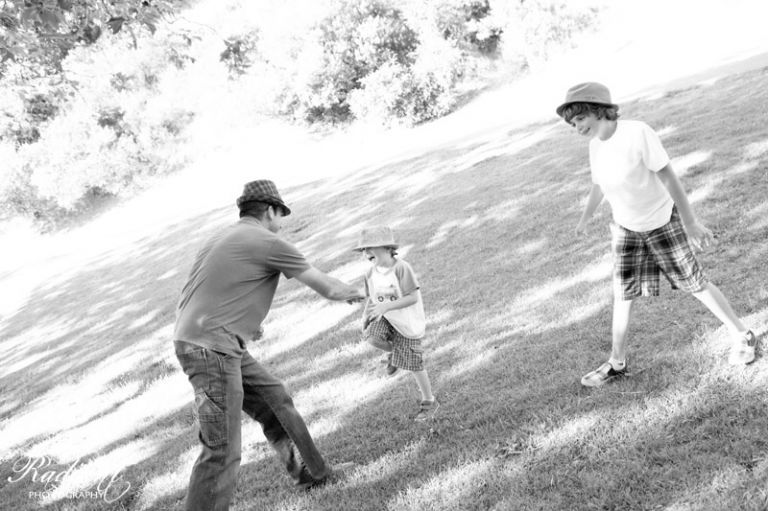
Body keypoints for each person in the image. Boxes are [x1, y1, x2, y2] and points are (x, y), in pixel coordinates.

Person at [173, 179, 365, 510]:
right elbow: (329, 288)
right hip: (213, 348)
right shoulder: (269, 242)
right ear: (270, 211)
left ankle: (312, 474)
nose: (281, 223)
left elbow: (208, 289)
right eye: (281, 215)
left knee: (274, 399)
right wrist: (370, 293)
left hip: (206, 339)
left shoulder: (221, 237)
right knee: (221, 448)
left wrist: (245, 324)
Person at [556, 82, 758, 387]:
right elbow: (599, 184)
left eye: (580, 118)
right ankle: (617, 363)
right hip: (626, 228)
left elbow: (669, 177)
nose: (577, 127)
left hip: (661, 221)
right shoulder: (595, 146)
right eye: (572, 123)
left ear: (598, 110)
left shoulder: (637, 133)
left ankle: (743, 334)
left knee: (695, 284)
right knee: (623, 295)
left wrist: (690, 222)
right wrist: (585, 218)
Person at [355, 226, 439, 421]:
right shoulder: (370, 273)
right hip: (386, 318)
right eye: (364, 249)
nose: (366, 252)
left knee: (414, 364)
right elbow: (372, 299)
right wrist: (365, 316)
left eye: (370, 247)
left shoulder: (401, 268)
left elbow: (412, 297)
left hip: (407, 321)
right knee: (372, 337)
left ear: (387, 247)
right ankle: (394, 352)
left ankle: (429, 401)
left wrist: (386, 306)